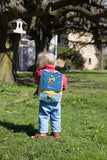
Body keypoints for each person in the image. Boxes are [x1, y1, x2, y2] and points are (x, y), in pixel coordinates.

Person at [31, 52, 67, 139]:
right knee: (56, 116)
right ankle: (56, 133)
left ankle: (43, 134)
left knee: (44, 116)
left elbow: (38, 83)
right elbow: (64, 87)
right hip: (56, 99)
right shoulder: (60, 74)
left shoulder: (39, 73)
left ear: (42, 63)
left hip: (44, 98)